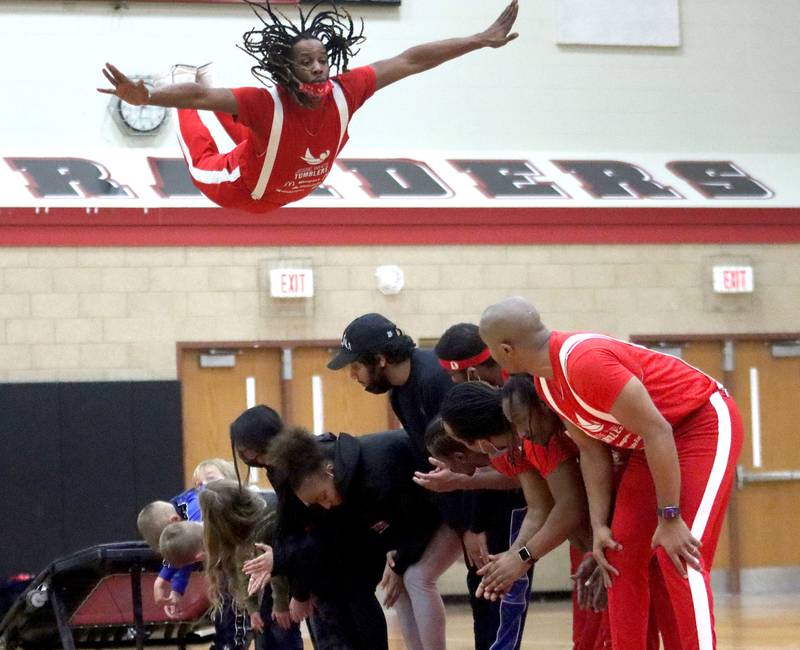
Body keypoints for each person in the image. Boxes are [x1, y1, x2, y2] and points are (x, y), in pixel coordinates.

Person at [480, 296, 744, 650]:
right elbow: (592, 451)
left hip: (701, 424)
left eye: (489, 350)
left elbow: (658, 430)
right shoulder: (547, 384)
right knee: (616, 554)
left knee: (678, 555)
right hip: (650, 445)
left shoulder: (584, 362)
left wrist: (669, 516)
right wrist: (600, 524)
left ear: (506, 349)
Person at [97, 1, 519, 213]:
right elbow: (200, 99)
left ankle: (212, 83)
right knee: (205, 150)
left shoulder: (346, 90)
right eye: (306, 62)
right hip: (242, 189)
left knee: (253, 129)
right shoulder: (266, 100)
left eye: (323, 60)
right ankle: (183, 75)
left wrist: (479, 40)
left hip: (277, 158)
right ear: (287, 68)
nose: (319, 69)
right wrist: (148, 96)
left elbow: (410, 60)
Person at [438, 380, 611, 650]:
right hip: (595, 527)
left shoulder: (534, 438)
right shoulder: (516, 445)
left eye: (459, 441)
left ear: (480, 443)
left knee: (625, 618)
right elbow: (539, 508)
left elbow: (571, 507)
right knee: (602, 620)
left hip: (617, 511)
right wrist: (513, 557)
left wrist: (521, 558)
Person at [327, 312, 461, 650]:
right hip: (443, 501)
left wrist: (472, 526)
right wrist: (401, 550)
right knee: (402, 580)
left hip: (475, 499)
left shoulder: (434, 378)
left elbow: (465, 458)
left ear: (380, 359)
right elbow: (428, 465)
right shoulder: (399, 394)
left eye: (355, 366)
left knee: (417, 578)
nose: (353, 376)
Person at [262, 426, 441, 650]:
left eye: (323, 496)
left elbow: (422, 518)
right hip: (417, 522)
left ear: (329, 470)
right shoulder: (341, 482)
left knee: (416, 578)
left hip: (447, 503)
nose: (326, 505)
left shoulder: (379, 470)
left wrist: (399, 563)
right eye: (317, 503)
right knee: (396, 588)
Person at [230, 405, 390, 650]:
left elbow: (314, 529)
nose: (244, 455)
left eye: (243, 448)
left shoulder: (297, 467)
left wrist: (300, 591)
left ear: (253, 446)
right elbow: (294, 527)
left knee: (350, 623)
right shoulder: (279, 468)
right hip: (329, 561)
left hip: (346, 559)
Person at [432, 322, 533, 650]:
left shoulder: (525, 407)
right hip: (523, 506)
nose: (452, 385)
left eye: (454, 378)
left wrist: (521, 554)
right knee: (489, 589)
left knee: (506, 595)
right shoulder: (499, 414)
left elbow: (558, 503)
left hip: (520, 511)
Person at [199, 480, 302, 650]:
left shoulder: (267, 517)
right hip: (271, 579)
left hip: (291, 576)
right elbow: (244, 568)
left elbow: (277, 564)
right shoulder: (239, 535)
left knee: (283, 629)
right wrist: (252, 608)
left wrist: (282, 604)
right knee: (263, 630)